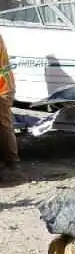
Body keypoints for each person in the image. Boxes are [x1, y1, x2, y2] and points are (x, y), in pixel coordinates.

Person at [0, 29, 18, 178]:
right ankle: (10, 159)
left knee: (4, 124)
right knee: (4, 124)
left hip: (2, 88)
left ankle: (11, 160)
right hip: (5, 86)